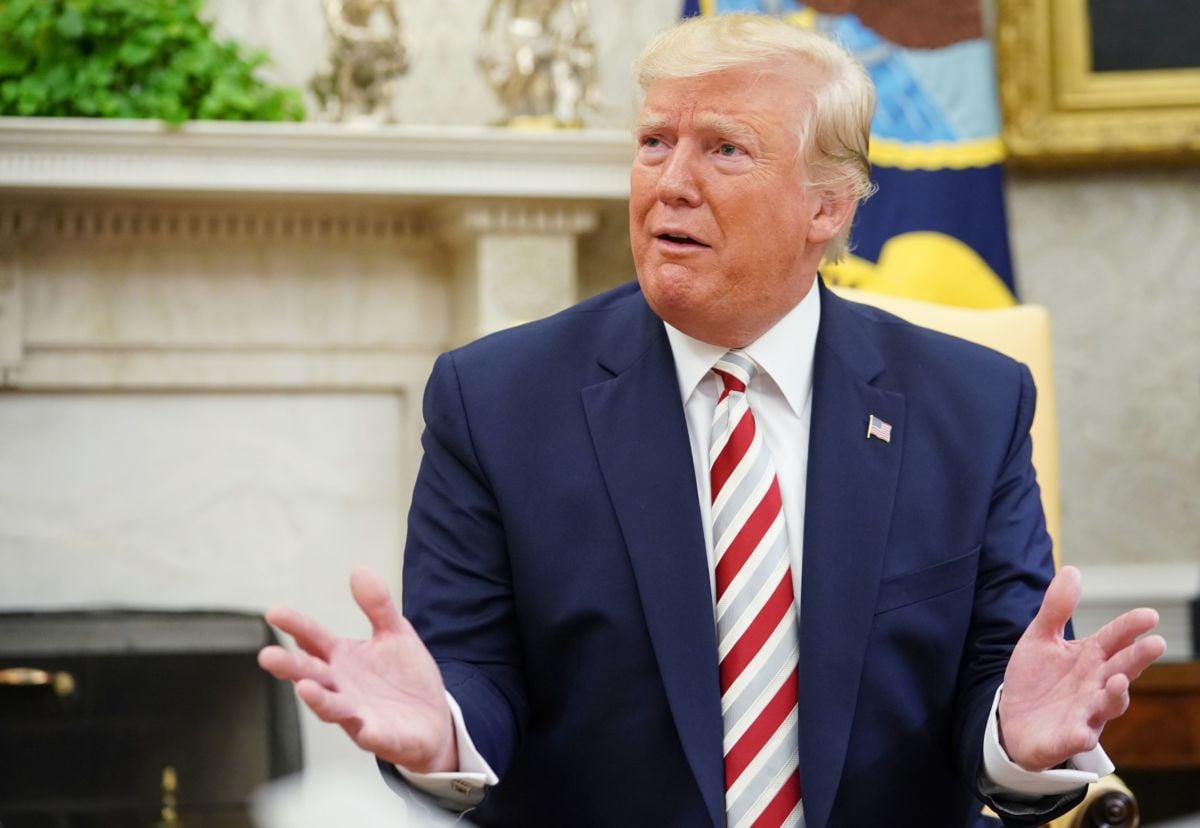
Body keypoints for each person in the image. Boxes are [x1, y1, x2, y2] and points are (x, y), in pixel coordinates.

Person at [258, 14, 1165, 827]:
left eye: (724, 150)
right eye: (654, 141)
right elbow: (474, 675)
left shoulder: (969, 404)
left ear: (828, 206)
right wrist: (441, 732)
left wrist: (1017, 733)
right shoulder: (495, 399)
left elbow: (997, 676)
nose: (671, 182)